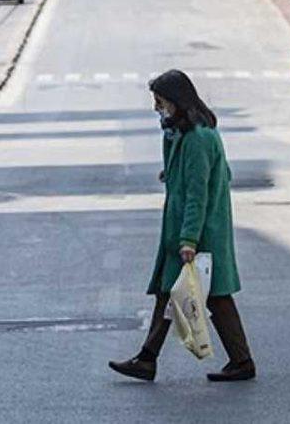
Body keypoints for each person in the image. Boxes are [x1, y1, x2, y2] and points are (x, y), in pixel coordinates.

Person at [109, 70, 255, 383]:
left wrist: (189, 238)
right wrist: (172, 172)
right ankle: (148, 358)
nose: (156, 108)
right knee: (175, 294)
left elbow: (197, 194)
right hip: (191, 229)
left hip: (199, 233)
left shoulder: (197, 138)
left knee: (211, 296)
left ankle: (241, 361)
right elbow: (215, 174)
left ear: (176, 100)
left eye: (160, 102)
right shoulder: (183, 134)